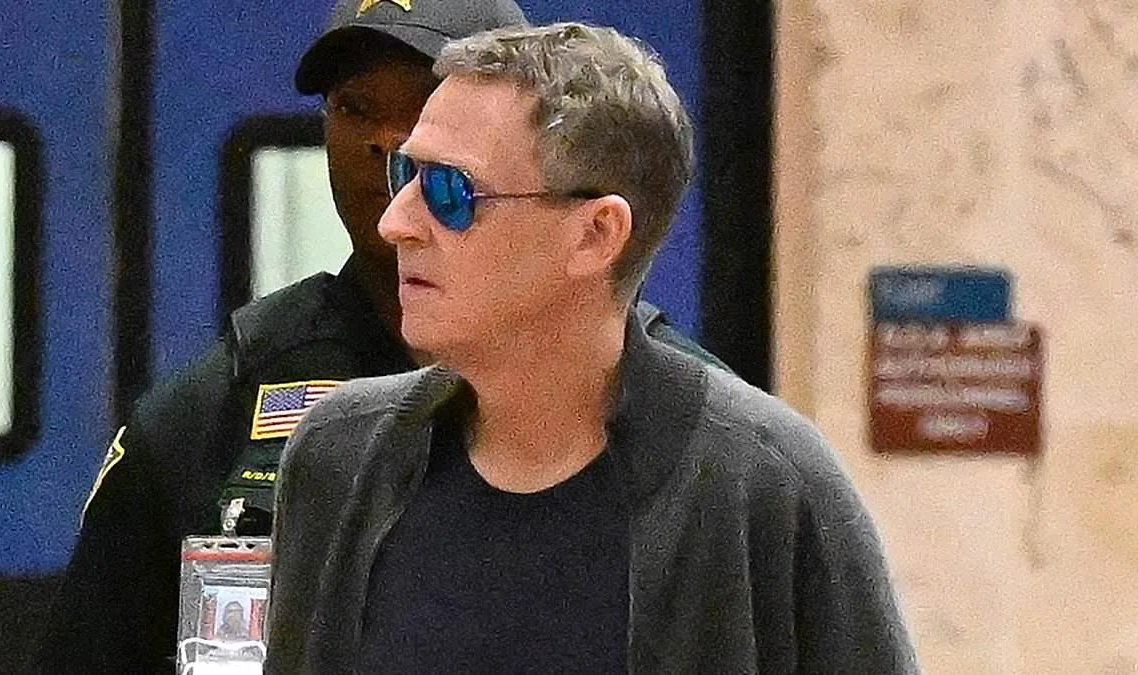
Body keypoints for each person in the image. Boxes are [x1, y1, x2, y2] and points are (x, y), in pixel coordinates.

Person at [38, 1, 725, 673]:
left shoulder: (701, 434)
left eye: (426, 106)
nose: (388, 141)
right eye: (355, 108)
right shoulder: (215, 411)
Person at [267, 21, 918, 674]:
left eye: (448, 191)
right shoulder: (340, 458)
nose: (395, 223)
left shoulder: (766, 486)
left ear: (595, 234)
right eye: (404, 174)